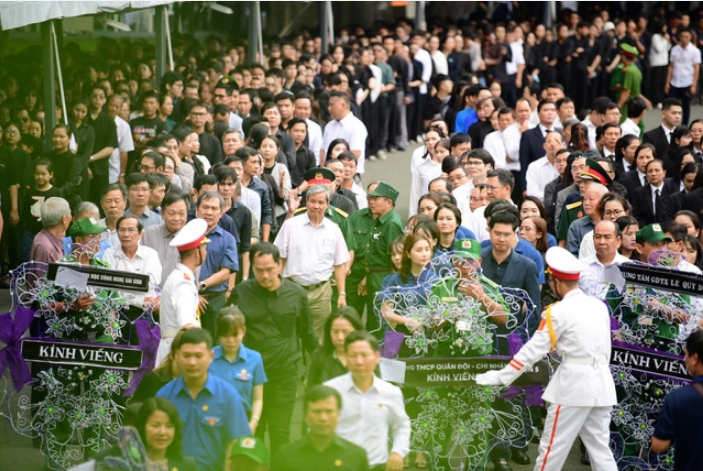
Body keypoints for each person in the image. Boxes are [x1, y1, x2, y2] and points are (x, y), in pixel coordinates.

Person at [476, 247, 618, 471]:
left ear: (556, 283)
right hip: (601, 385)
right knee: (601, 451)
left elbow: (532, 351)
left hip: (573, 386)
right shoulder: (599, 306)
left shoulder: (557, 311)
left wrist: (502, 377)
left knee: (551, 450)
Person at [227, 242, 317, 454]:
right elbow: (227, 332)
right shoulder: (241, 292)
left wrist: (324, 361)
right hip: (248, 376)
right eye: (259, 270)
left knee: (280, 435)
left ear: (279, 266)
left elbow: (307, 333)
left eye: (269, 270)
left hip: (283, 374)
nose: (265, 275)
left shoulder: (296, 294)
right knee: (251, 436)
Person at [157, 328, 251, 471]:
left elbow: (235, 444)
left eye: (198, 356)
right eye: (186, 355)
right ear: (177, 356)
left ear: (210, 356)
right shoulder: (165, 396)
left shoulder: (228, 396)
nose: (192, 362)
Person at [325, 331, 410, 471]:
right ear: (345, 357)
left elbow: (401, 425)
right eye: (353, 355)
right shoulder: (331, 390)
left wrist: (397, 452)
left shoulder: (390, 392)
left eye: (365, 355)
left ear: (377, 357)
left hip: (377, 466)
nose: (359, 361)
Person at [274, 184, 350, 338]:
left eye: (321, 202)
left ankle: (312, 363)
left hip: (321, 292)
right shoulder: (290, 225)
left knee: (317, 338)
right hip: (292, 289)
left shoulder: (334, 229)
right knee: (290, 333)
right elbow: (279, 258)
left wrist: (342, 293)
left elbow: (339, 264)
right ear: (306, 202)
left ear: (328, 205)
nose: (316, 206)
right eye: (312, 201)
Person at [272, 385, 370, 471]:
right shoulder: (287, 455)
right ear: (306, 416)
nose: (323, 418)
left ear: (338, 415)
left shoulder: (356, 456)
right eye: (317, 411)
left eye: (329, 411)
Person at [155, 218, 208, 367]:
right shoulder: (182, 282)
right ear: (197, 252)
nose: (206, 251)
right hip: (178, 353)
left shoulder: (180, 277)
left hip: (174, 347)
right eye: (204, 247)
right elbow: (187, 325)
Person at [651, 329, 703, 470]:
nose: (684, 359)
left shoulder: (679, 398)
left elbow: (659, 445)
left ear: (695, 358)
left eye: (686, 354)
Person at [210, 306, 267, 433]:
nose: (230, 340)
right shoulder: (208, 357)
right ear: (218, 333)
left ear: (243, 331)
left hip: (243, 421)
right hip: (212, 422)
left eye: (235, 334)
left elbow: (258, 398)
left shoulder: (255, 358)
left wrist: (253, 422)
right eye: (225, 334)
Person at [194, 190, 239, 339]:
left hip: (215, 301)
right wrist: (193, 293)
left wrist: (200, 286)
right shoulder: (185, 235)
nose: (209, 212)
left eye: (214, 208)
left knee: (214, 343)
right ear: (196, 209)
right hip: (187, 298)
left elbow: (226, 272)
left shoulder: (228, 239)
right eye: (205, 207)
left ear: (221, 213)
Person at [134, 398, 198, 471]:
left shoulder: (187, 465)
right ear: (142, 427)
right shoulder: (126, 464)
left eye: (169, 426)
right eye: (155, 425)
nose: (162, 432)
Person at [307, 307, 364, 387]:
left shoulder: (368, 358)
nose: (340, 337)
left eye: (346, 332)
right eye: (335, 332)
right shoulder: (319, 358)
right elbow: (311, 392)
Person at [141, 193, 189, 284]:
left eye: (181, 214)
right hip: (152, 294)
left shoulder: (192, 237)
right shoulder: (149, 234)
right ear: (162, 214)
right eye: (172, 213)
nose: (177, 218)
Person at [321, 91, 368, 172]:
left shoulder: (356, 126)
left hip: (348, 174)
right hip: (328, 173)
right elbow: (323, 150)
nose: (329, 108)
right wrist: (323, 169)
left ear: (342, 105)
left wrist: (338, 170)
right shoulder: (329, 125)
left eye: (332, 105)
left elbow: (355, 154)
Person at [665, 28, 701, 125]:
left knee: (685, 106)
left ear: (690, 38)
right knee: (671, 105)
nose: (684, 39)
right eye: (682, 37)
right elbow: (671, 66)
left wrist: (694, 84)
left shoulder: (695, 51)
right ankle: (670, 124)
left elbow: (696, 68)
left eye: (686, 37)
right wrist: (667, 83)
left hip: (687, 82)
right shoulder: (674, 49)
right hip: (674, 81)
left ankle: (684, 126)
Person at [30, 197, 71, 264]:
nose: (71, 217)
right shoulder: (45, 248)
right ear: (64, 220)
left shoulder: (56, 237)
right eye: (70, 213)